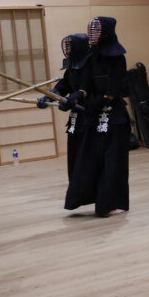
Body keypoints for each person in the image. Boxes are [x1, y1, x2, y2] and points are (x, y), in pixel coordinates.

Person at [51, 17, 130, 217]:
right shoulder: (90, 56)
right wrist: (74, 97)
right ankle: (95, 198)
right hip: (93, 116)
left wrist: (99, 101)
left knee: (112, 163)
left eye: (97, 30)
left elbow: (114, 87)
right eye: (90, 30)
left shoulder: (117, 57)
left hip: (113, 116)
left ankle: (113, 203)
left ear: (106, 32)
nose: (92, 34)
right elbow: (85, 84)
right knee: (94, 161)